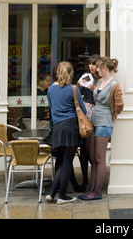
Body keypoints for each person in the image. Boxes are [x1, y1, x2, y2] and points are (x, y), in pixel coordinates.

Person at [78, 57, 124, 201]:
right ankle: (92, 188)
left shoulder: (114, 85)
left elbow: (120, 105)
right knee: (92, 156)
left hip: (104, 123)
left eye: (98, 67)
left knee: (99, 158)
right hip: (94, 121)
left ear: (104, 67)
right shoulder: (99, 82)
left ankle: (96, 191)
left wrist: (113, 116)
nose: (96, 69)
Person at [46, 61, 87, 204]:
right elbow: (84, 110)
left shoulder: (50, 89)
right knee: (67, 162)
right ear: (71, 74)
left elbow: (51, 109)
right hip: (70, 128)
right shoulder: (73, 89)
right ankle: (62, 196)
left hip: (57, 128)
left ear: (57, 73)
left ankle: (52, 193)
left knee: (62, 161)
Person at [77, 54, 101, 188]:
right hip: (87, 113)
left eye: (94, 64)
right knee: (85, 148)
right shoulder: (86, 77)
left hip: (99, 114)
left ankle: (95, 180)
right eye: (90, 64)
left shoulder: (103, 78)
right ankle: (86, 180)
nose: (91, 66)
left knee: (96, 149)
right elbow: (76, 91)